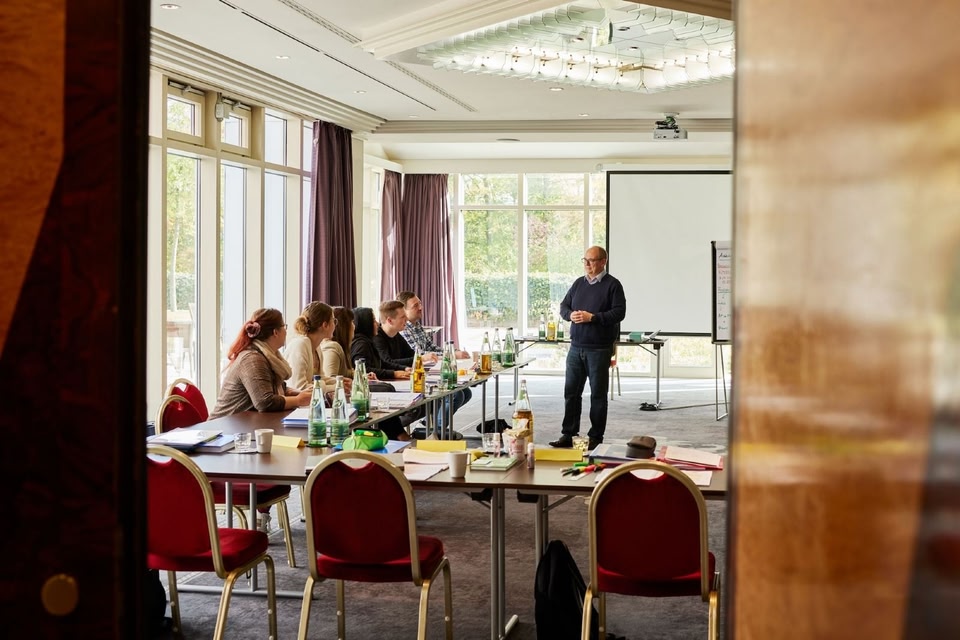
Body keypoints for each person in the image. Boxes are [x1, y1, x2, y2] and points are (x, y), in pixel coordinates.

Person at [549, 246, 626, 450]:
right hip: (576, 348)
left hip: (599, 349)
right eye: (585, 260)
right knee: (571, 393)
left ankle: (595, 437)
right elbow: (564, 306)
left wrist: (593, 317)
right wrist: (570, 315)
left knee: (598, 395)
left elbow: (619, 313)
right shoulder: (578, 283)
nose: (587, 264)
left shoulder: (613, 285)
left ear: (603, 261)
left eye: (591, 260)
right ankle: (568, 434)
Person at [376, 299, 472, 430]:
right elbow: (387, 362)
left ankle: (429, 426)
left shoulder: (397, 335)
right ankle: (436, 431)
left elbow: (413, 356)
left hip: (406, 378)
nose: (406, 320)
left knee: (465, 392)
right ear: (389, 320)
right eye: (402, 317)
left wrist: (418, 360)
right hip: (392, 383)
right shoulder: (378, 338)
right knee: (454, 395)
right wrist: (414, 363)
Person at [209, 308, 312, 419]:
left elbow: (275, 388)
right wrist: (299, 400)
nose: (286, 331)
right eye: (284, 326)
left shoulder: (267, 355)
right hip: (222, 427)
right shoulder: (252, 359)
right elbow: (264, 402)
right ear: (275, 332)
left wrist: (300, 393)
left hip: (241, 425)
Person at [284, 301, 350, 395]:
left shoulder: (317, 347)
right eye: (334, 321)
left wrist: (339, 381)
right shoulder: (300, 345)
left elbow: (320, 378)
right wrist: (337, 387)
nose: (335, 325)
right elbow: (299, 388)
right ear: (325, 325)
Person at [396, 291, 468, 359]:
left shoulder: (417, 325)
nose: (420, 307)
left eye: (420, 303)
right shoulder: (403, 330)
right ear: (404, 311)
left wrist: (453, 351)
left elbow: (432, 348)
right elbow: (418, 354)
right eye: (415, 306)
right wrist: (451, 355)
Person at [350, 306, 410, 381]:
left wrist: (404, 368)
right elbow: (363, 369)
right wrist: (393, 374)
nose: (377, 323)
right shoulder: (361, 344)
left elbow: (382, 363)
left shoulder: (368, 341)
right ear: (366, 324)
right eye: (373, 320)